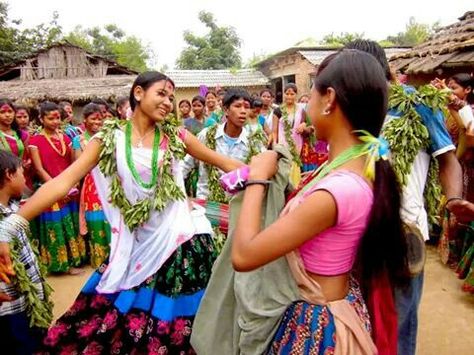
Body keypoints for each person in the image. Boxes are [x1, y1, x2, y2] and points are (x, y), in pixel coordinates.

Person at [0, 71, 244, 353]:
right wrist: (12, 224)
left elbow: (225, 162)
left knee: (184, 329)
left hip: (181, 243)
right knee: (112, 325)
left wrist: (266, 173)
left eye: (171, 97)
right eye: (161, 94)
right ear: (138, 93)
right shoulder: (109, 138)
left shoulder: (178, 136)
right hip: (136, 244)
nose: (168, 102)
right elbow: (63, 182)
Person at [231, 49, 409, 354]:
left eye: (309, 92)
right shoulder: (352, 169)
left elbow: (244, 256)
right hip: (332, 306)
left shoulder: (336, 192)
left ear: (329, 99)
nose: (305, 102)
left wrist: (258, 179)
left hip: (317, 325)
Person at [345, 40, 463, 355]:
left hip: (404, 233)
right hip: (355, 234)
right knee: (360, 324)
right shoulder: (352, 109)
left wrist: (451, 203)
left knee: (397, 327)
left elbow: (447, 159)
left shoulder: (415, 104)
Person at [0, 151, 53, 355]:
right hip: (10, 307)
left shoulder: (14, 209)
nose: (25, 178)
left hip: (27, 303)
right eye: (22, 172)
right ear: (9, 175)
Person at [29, 102, 86, 274]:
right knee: (57, 226)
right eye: (50, 118)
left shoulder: (67, 138)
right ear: (41, 119)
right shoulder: (35, 141)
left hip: (69, 188)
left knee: (70, 223)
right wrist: (57, 188)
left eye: (58, 118)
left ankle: (75, 260)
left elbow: (73, 163)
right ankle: (61, 265)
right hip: (50, 189)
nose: (55, 122)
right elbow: (39, 169)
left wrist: (72, 184)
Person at [182, 89, 265, 203]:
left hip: (237, 205)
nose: (243, 111)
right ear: (226, 110)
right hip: (207, 204)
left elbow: (261, 172)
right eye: (238, 106)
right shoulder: (206, 135)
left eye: (246, 107)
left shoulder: (254, 141)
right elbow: (185, 165)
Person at [72, 103, 109, 268]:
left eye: (100, 119)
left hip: (110, 183)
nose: (97, 122)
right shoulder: (79, 140)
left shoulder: (108, 137)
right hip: (91, 186)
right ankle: (100, 262)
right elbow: (79, 166)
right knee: (96, 221)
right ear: (84, 120)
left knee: (111, 219)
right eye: (93, 119)